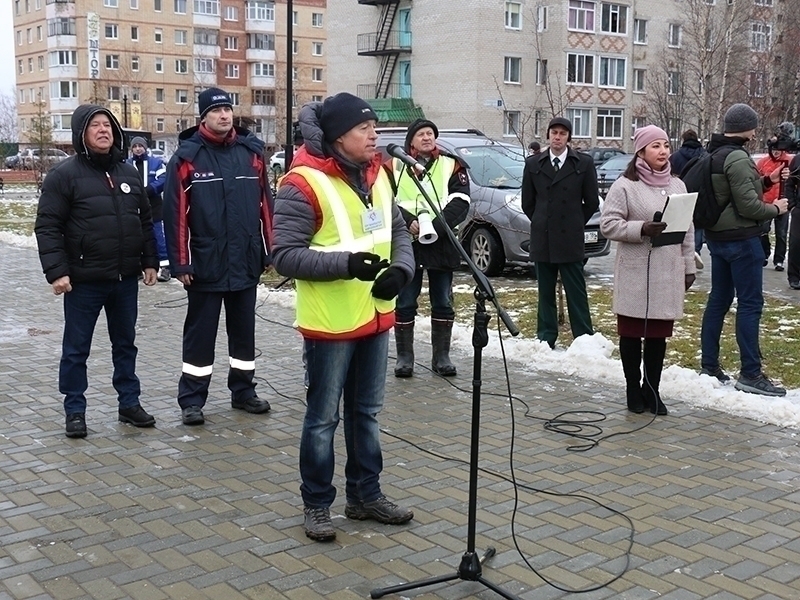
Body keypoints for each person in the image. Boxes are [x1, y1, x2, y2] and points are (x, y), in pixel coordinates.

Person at [271, 92, 415, 542]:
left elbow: (396, 231)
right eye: (364, 129)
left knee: (367, 413)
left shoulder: (380, 172)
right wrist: (345, 265)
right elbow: (284, 257)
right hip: (331, 322)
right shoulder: (301, 183)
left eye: (374, 127)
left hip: (375, 314)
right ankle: (317, 504)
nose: (375, 136)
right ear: (338, 137)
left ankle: (365, 495)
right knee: (323, 418)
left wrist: (403, 272)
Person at [34, 105, 159, 438]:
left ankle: (129, 404)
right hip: (84, 281)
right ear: (81, 134)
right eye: (96, 126)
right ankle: (75, 410)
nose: (104, 130)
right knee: (77, 348)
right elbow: (47, 226)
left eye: (108, 125)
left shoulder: (128, 173)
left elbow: (145, 221)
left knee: (126, 344)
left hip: (124, 279)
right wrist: (57, 271)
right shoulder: (64, 175)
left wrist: (150, 261)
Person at [163, 87, 273, 426]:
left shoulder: (251, 153)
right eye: (216, 111)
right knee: (200, 335)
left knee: (244, 331)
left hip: (245, 261)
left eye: (227, 109)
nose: (224, 115)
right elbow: (175, 214)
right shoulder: (187, 158)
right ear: (203, 117)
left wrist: (272, 249)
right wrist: (181, 262)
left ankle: (243, 391)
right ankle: (192, 399)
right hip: (205, 265)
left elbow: (266, 205)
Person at [600, 126, 696, 415]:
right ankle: (633, 388)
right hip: (635, 271)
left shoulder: (678, 185)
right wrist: (640, 228)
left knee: (657, 335)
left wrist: (688, 266)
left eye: (666, 145)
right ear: (641, 151)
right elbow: (608, 224)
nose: (663, 151)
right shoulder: (625, 185)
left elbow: (687, 230)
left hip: (667, 271)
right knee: (631, 333)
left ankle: (652, 390)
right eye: (655, 146)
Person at [699, 103, 789, 396]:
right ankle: (750, 373)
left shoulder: (714, 151)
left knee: (719, 300)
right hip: (742, 240)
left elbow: (733, 192)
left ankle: (709, 365)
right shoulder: (737, 157)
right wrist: (775, 208)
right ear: (747, 127)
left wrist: (767, 180)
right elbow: (748, 204)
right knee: (750, 304)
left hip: (718, 238)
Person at [387, 118, 470, 377]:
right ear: (411, 140)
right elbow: (383, 199)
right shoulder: (394, 165)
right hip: (407, 242)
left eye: (431, 133)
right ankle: (404, 358)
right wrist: (409, 221)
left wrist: (435, 225)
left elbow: (461, 200)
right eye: (421, 134)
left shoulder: (451, 164)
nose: (427, 138)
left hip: (441, 242)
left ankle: (441, 357)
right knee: (405, 300)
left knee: (443, 301)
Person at [521, 116, 599, 348]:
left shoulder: (582, 163)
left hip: (570, 237)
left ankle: (584, 338)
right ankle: (546, 336)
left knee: (576, 290)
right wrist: (542, 220)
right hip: (543, 236)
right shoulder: (534, 164)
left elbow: (592, 202)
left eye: (562, 134)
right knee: (545, 291)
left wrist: (575, 222)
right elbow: (528, 203)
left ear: (568, 138)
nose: (557, 137)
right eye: (554, 132)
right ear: (548, 135)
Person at [127, 137, 170, 282]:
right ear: (131, 149)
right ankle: (137, 267)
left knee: (158, 236)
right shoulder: (126, 164)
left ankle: (165, 268)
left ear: (145, 147)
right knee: (134, 236)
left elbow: (164, 179)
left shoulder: (156, 162)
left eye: (140, 146)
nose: (138, 149)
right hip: (132, 205)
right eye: (135, 146)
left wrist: (149, 190)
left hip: (154, 205)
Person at [670, 129, 706, 269]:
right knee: (697, 224)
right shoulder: (704, 155)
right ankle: (695, 250)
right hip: (700, 193)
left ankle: (682, 250)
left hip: (680, 192)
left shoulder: (676, 156)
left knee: (681, 222)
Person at [755, 143, 791, 271]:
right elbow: (757, 179)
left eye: (779, 149)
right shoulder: (763, 162)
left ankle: (779, 260)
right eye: (773, 149)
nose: (776, 152)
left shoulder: (789, 161)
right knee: (763, 230)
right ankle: (764, 254)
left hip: (783, 202)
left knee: (781, 233)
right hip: (767, 202)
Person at [786, 153, 800, 290]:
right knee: (796, 243)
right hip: (799, 209)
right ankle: (794, 277)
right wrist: (792, 205)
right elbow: (790, 183)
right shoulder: (797, 159)